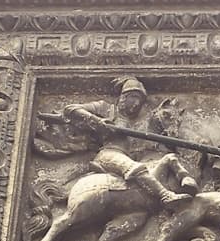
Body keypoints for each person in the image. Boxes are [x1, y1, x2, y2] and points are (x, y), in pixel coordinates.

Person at [62, 76, 192, 208]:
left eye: (140, 100)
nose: (137, 103)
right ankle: (165, 195)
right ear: (123, 97)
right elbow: (70, 109)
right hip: (109, 153)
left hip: (128, 155)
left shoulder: (140, 121)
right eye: (134, 97)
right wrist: (97, 121)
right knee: (135, 168)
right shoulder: (105, 108)